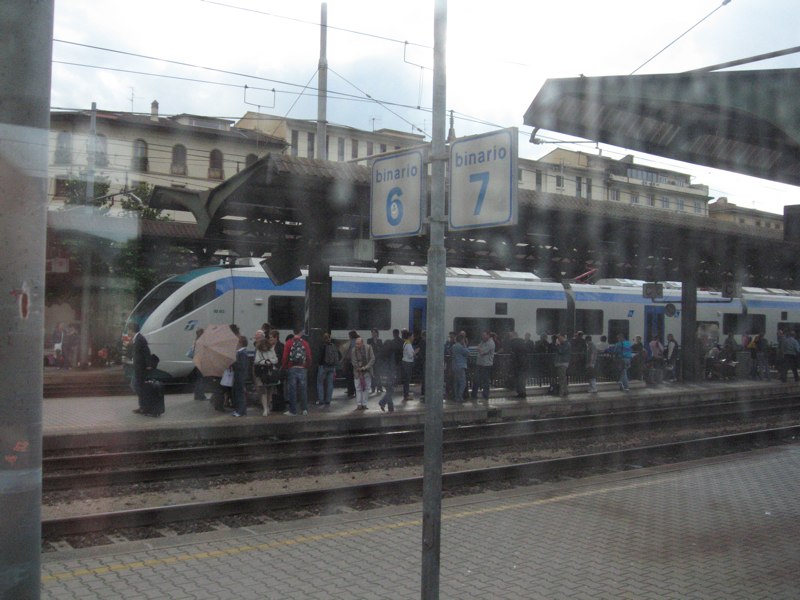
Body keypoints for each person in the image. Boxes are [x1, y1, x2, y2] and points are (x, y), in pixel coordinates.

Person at [281, 327, 313, 415]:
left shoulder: (289, 343)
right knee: (303, 389)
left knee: (292, 390)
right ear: (301, 332)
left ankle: (293, 411)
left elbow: (285, 357)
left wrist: (285, 367)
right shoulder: (305, 343)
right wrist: (307, 366)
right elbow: (309, 357)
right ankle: (304, 409)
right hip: (302, 368)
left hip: (292, 368)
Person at [128, 322, 153, 415]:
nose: (128, 332)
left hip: (141, 368)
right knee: (135, 386)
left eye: (129, 330)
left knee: (138, 386)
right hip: (137, 367)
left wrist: (148, 365)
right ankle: (143, 406)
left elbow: (146, 352)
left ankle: (145, 406)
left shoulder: (140, 339)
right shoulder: (136, 339)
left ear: (132, 330)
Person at [254, 329, 278, 416]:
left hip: (270, 372)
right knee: (263, 391)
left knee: (270, 391)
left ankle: (267, 406)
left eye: (265, 346)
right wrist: (265, 362)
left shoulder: (271, 350)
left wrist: (269, 361)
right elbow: (256, 361)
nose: (264, 348)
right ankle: (265, 408)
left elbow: (276, 359)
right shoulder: (259, 351)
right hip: (262, 373)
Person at [379, 329, 403, 412]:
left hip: (383, 375)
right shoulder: (391, 354)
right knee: (391, 391)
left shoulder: (382, 353)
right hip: (389, 375)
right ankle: (382, 402)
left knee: (389, 390)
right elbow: (391, 366)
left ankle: (390, 408)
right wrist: (394, 375)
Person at [351, 336, 375, 410]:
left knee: (367, 388)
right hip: (358, 372)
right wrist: (359, 368)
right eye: (356, 344)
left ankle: (364, 404)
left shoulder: (368, 348)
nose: (356, 345)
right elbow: (353, 361)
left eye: (358, 344)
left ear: (362, 343)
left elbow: (372, 359)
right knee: (358, 388)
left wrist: (365, 367)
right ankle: (359, 404)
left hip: (367, 371)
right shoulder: (353, 350)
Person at [471, 331, 495, 402]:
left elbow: (481, 352)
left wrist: (479, 348)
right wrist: (479, 348)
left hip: (486, 365)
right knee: (476, 379)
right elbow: (479, 348)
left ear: (488, 335)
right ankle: (474, 394)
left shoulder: (491, 343)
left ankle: (485, 395)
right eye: (482, 335)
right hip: (479, 363)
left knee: (485, 380)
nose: (483, 337)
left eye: (484, 336)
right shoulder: (483, 342)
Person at [317, 333, 339, 407]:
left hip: (323, 367)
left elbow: (320, 357)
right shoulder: (333, 346)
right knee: (330, 384)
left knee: (320, 383)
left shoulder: (323, 346)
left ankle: (321, 400)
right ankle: (328, 400)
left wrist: (319, 363)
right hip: (332, 367)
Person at [231, 335, 249, 417]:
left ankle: (241, 411)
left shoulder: (242, 353)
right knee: (237, 392)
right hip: (238, 375)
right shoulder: (240, 352)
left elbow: (242, 366)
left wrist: (233, 362)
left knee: (240, 393)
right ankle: (239, 409)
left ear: (240, 343)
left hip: (240, 376)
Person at [507, 331, 528, 399]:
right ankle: (522, 392)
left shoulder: (513, 343)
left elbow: (512, 354)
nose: (509, 338)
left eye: (510, 336)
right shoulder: (522, 342)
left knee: (518, 379)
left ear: (513, 336)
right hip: (524, 363)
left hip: (517, 364)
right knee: (522, 379)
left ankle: (520, 393)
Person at [451, 333, 470, 403]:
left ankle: (456, 397)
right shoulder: (461, 347)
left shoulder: (453, 346)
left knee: (456, 382)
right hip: (461, 366)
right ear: (462, 340)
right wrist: (465, 345)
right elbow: (468, 353)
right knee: (463, 382)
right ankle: (460, 396)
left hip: (454, 366)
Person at [190, 328, 207, 400]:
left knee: (198, 379)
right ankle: (201, 395)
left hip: (197, 362)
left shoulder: (195, 341)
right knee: (201, 380)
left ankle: (197, 395)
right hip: (202, 362)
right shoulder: (202, 342)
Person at [401, 329, 416, 401]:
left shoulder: (405, 343)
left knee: (406, 380)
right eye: (413, 336)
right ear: (409, 337)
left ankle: (406, 394)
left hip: (404, 362)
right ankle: (406, 395)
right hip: (408, 363)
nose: (413, 338)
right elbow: (410, 355)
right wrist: (415, 352)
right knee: (407, 380)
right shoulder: (409, 344)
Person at [554, 333, 571, 398]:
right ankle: (565, 391)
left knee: (562, 378)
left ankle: (561, 392)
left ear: (563, 337)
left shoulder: (566, 344)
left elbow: (561, 351)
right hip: (560, 362)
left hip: (563, 363)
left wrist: (558, 345)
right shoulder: (562, 344)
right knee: (562, 377)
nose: (558, 339)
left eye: (559, 338)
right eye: (558, 338)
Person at [367, 329, 384, 394]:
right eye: (372, 332)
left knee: (378, 373)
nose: (373, 334)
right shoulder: (369, 340)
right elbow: (368, 349)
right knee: (372, 374)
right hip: (371, 359)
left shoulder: (380, 341)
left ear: (377, 333)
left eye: (374, 332)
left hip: (378, 359)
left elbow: (381, 350)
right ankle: (373, 388)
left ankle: (379, 387)